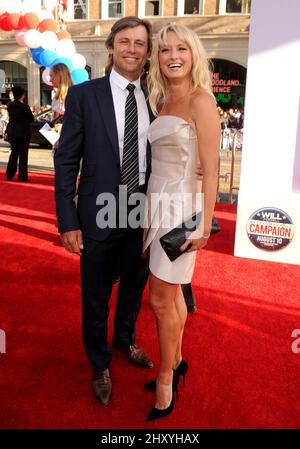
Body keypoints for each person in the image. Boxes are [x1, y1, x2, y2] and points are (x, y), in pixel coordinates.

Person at [54, 17, 154, 407]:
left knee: (133, 287)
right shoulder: (84, 95)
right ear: (111, 47)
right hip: (97, 213)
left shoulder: (155, 97)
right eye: (125, 41)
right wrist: (68, 220)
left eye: (140, 43)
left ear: (147, 53)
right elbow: (65, 163)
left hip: (142, 211)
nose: (132, 49)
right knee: (95, 296)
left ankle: (124, 339)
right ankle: (99, 363)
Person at [143, 24, 220, 421]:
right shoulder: (161, 100)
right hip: (155, 207)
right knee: (171, 297)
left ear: (193, 55)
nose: (173, 55)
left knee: (159, 299)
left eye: (181, 49)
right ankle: (176, 361)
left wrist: (204, 227)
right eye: (165, 49)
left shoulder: (201, 101)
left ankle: (164, 382)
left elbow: (213, 168)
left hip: (181, 213)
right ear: (157, 59)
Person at [5, 86, 34, 182]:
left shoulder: (9, 105)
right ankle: (22, 177)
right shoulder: (25, 106)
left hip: (13, 132)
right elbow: (31, 119)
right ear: (22, 95)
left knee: (13, 153)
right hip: (24, 133)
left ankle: (9, 174)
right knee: (23, 156)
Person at [49, 62, 73, 150]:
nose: (50, 80)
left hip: (68, 146)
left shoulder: (73, 95)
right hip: (57, 145)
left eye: (51, 76)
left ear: (59, 75)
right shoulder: (56, 97)